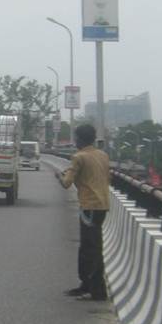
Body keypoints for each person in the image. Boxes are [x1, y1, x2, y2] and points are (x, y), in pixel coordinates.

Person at [59, 123, 110, 301]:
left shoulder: (79, 157)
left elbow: (66, 183)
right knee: (93, 246)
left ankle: (94, 289)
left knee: (89, 248)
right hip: (102, 205)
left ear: (79, 139)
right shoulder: (103, 155)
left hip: (89, 206)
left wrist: (60, 176)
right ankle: (89, 285)